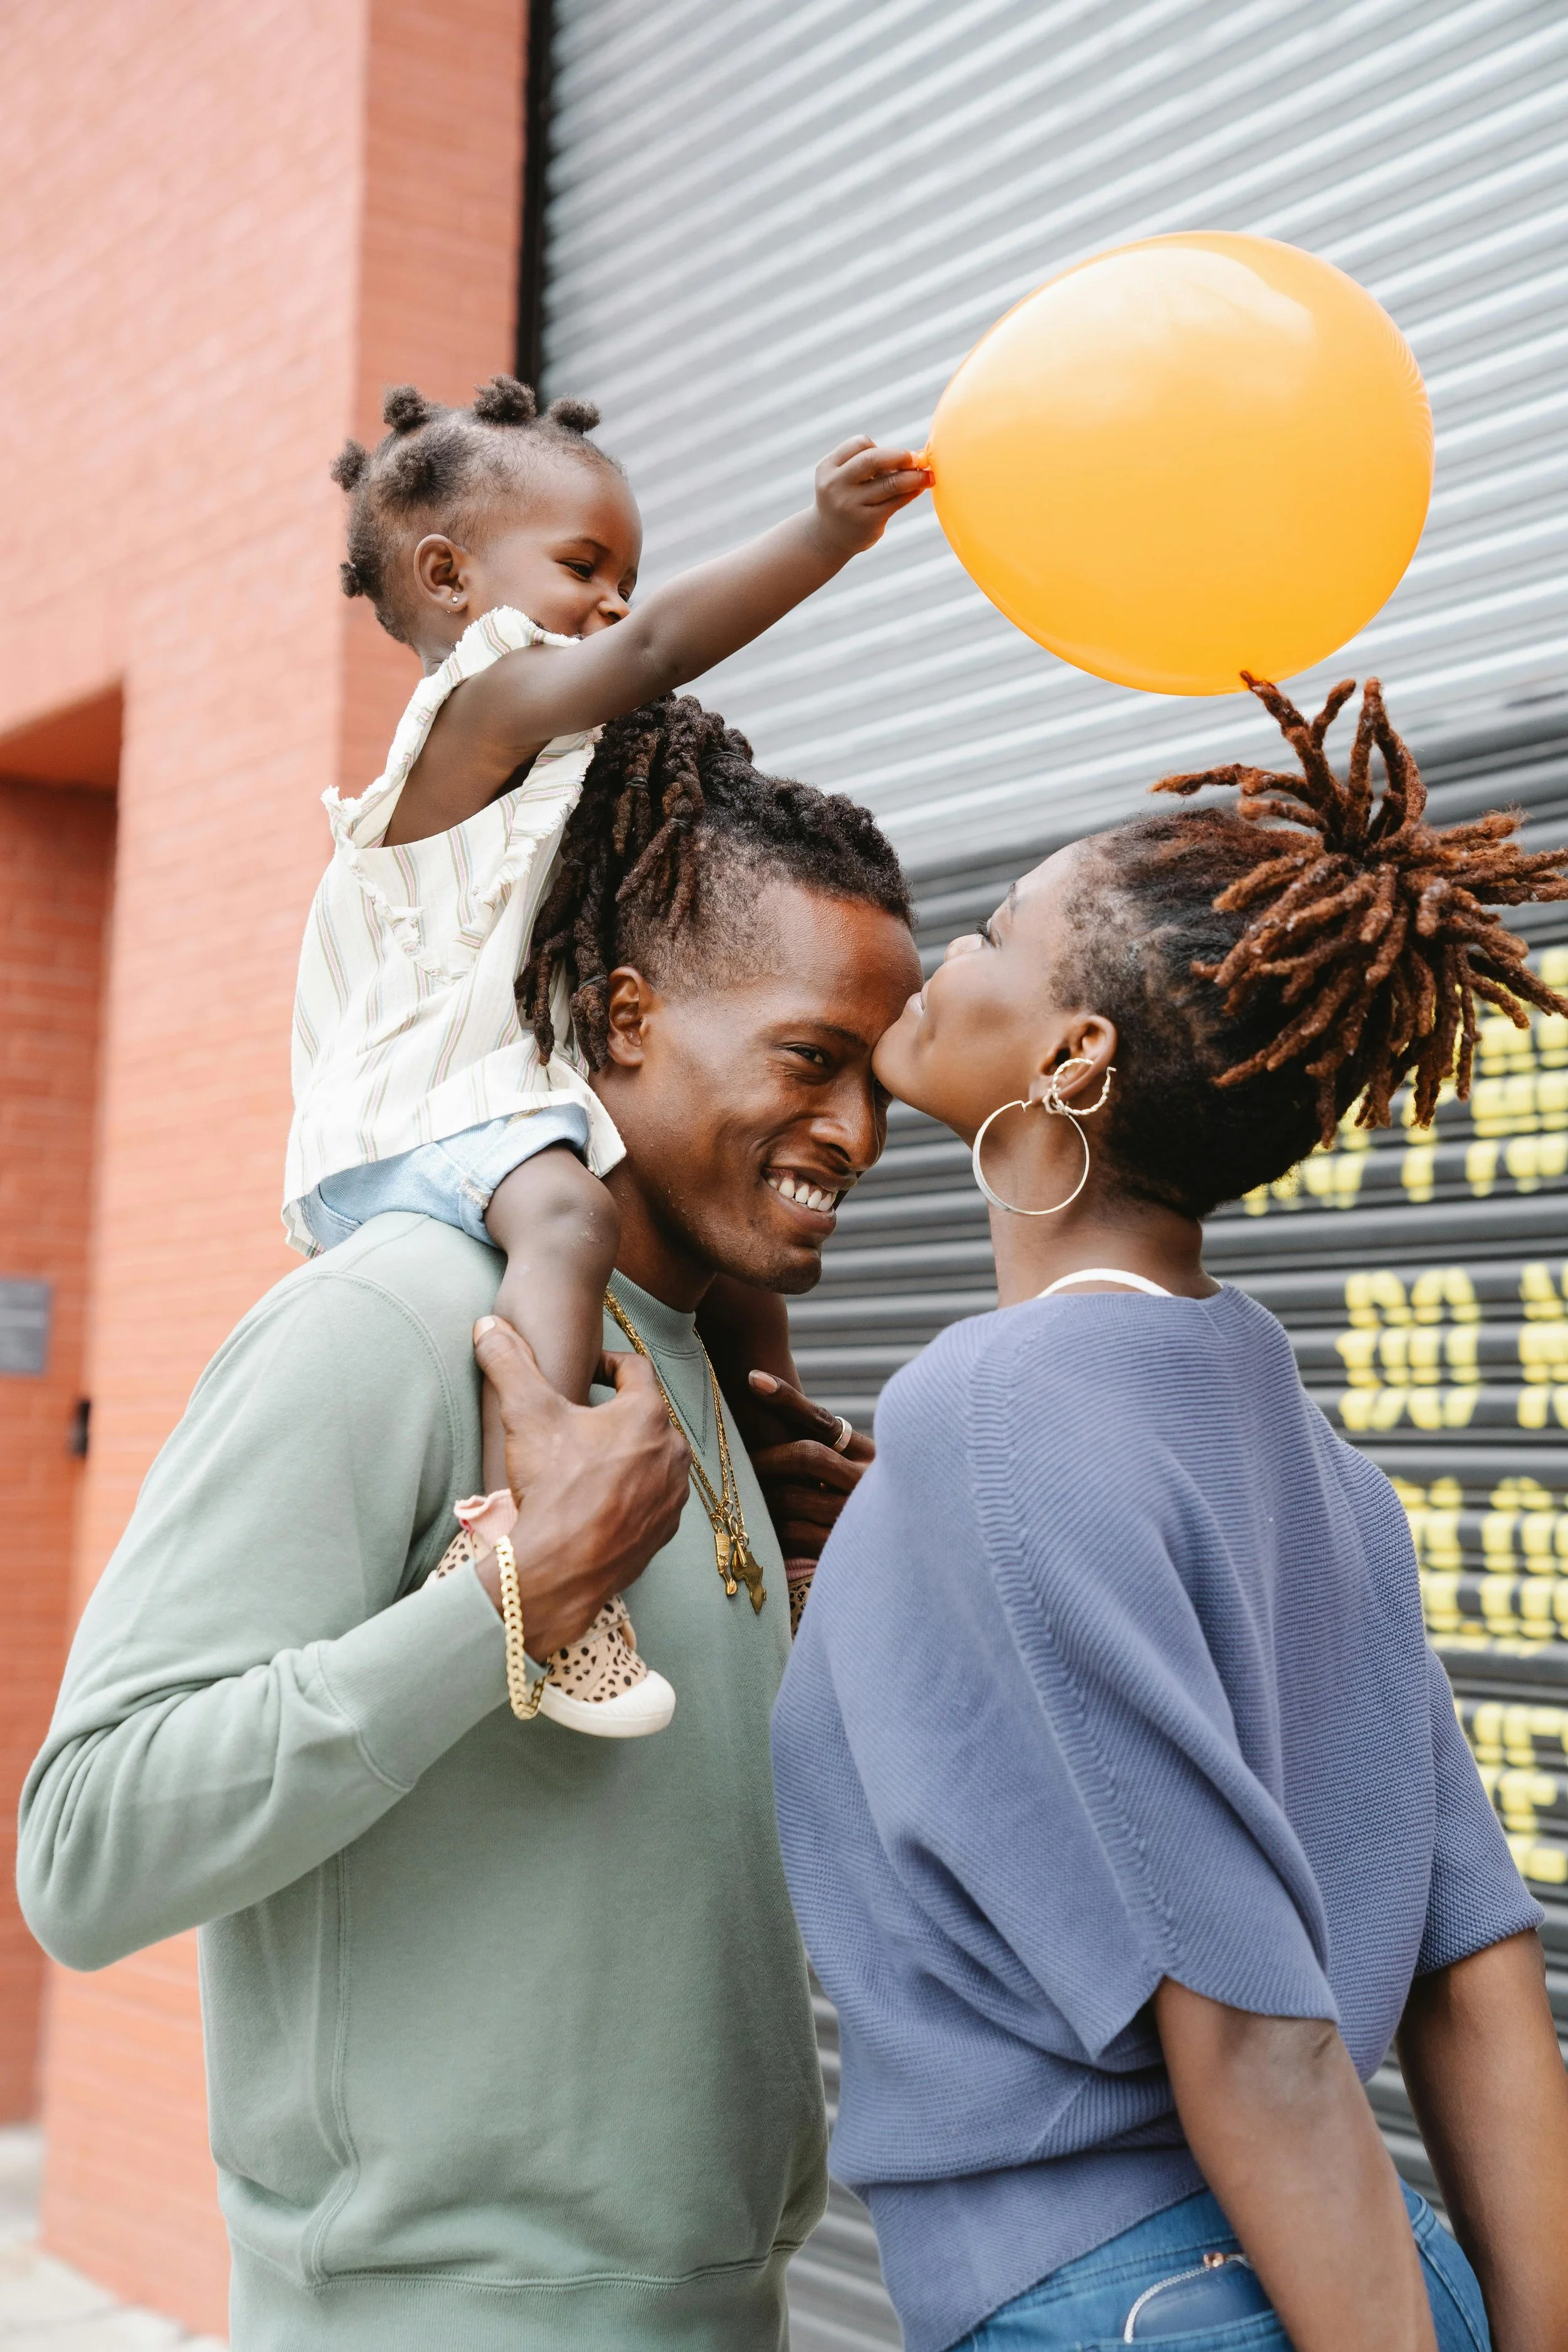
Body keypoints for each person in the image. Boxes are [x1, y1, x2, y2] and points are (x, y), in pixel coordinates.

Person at [19, 700, 922, 2352]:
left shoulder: (693, 1366)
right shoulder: (393, 1321)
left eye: (883, 1071)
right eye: (812, 1058)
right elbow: (82, 1849)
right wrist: (502, 1597)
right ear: (627, 1017)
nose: (860, 1132)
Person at [771, 676, 1568, 2352]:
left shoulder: (990, 1407)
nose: (941, 955)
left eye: (988, 931)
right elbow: (1476, 1973)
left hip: (1134, 2298)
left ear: (1070, 1054)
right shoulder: (1320, 1466)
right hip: (1374, 2279)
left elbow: (1259, 2034)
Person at [288, 375, 926, 1728]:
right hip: (406, 1116)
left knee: (728, 1280)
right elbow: (647, 662)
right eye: (585, 566)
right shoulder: (475, 712)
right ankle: (527, 1531)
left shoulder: (548, 767)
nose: (616, 604)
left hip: (498, 1101)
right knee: (571, 1214)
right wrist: (820, 536)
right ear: (448, 576)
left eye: (626, 574)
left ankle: (780, 1499)